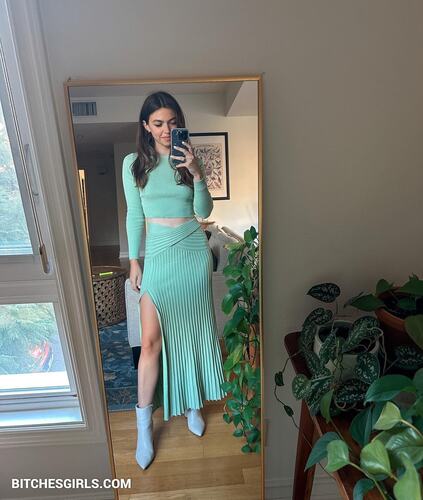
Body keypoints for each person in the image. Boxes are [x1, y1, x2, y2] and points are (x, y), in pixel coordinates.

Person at [122, 91, 227, 470]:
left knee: (194, 333)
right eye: (158, 123)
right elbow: (135, 215)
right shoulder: (134, 164)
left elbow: (203, 210)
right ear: (146, 127)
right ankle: (144, 426)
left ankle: (193, 404)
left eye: (172, 122)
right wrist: (135, 260)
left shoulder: (189, 160)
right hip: (159, 256)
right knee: (150, 343)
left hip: (192, 252)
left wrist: (197, 173)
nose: (166, 130)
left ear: (180, 123)